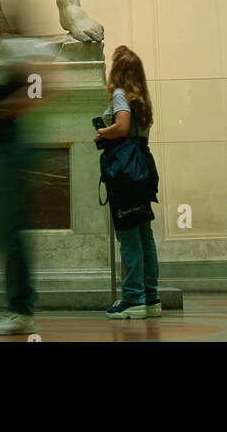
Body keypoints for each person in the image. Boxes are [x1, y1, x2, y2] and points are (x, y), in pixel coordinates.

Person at [94, 45, 160, 320]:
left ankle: (133, 297)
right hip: (142, 168)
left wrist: (101, 132)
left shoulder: (120, 95)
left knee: (128, 235)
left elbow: (121, 127)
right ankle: (150, 295)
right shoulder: (141, 99)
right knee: (144, 234)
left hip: (125, 172)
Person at [0, 64, 41, 335]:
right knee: (6, 231)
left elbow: (39, 90)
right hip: (1, 149)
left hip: (8, 149)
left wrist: (4, 109)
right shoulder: (16, 53)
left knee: (10, 232)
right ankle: (19, 306)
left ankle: (21, 309)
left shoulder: (25, 55)